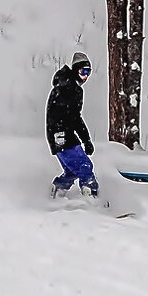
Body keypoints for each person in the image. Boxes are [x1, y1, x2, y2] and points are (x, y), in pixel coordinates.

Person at [46, 52, 99, 199]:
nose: (86, 76)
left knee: (72, 171)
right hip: (61, 134)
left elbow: (74, 117)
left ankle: (56, 190)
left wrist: (86, 139)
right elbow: (71, 116)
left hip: (58, 134)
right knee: (84, 166)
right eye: (83, 71)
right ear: (76, 70)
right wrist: (61, 135)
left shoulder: (67, 85)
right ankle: (92, 199)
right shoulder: (68, 87)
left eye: (88, 72)